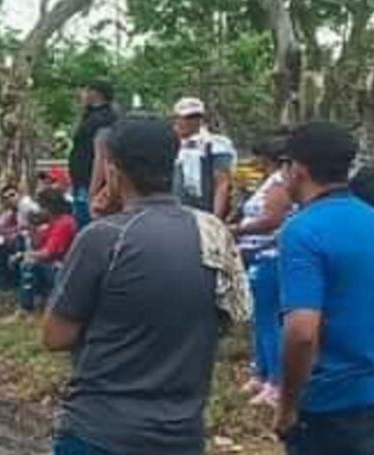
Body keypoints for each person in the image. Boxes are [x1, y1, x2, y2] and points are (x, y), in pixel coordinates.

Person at [43, 116, 231, 454]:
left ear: (113, 170)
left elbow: (56, 336)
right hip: (182, 431)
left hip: (102, 430)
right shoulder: (212, 232)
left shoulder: (104, 239)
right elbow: (225, 318)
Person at [271, 122, 374, 455]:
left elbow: (302, 332)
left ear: (298, 170)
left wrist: (288, 404)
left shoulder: (302, 230)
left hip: (334, 406)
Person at [231, 137, 295, 407]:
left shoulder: (280, 184)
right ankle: (261, 372)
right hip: (257, 255)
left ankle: (277, 381)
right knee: (260, 318)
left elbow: (272, 220)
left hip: (270, 257)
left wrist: (237, 230)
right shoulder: (270, 182)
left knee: (270, 320)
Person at [171, 98, 236, 217]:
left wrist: (216, 218)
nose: (192, 121)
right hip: (173, 211)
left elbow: (222, 184)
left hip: (203, 211)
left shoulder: (217, 145)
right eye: (186, 117)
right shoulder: (168, 144)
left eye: (195, 117)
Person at [15, 189, 75, 315]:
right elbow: (37, 244)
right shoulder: (53, 222)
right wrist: (32, 226)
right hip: (54, 265)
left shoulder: (64, 223)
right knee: (30, 262)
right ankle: (37, 301)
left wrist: (23, 255)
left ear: (50, 207)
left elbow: (48, 253)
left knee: (29, 265)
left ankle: (25, 309)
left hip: (63, 268)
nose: (39, 210)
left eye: (41, 206)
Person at [69, 80, 118, 227]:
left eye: (85, 91)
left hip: (91, 182)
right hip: (81, 181)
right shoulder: (90, 116)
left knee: (89, 224)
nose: (82, 95)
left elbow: (101, 155)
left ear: (95, 93)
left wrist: (93, 189)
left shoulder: (103, 119)